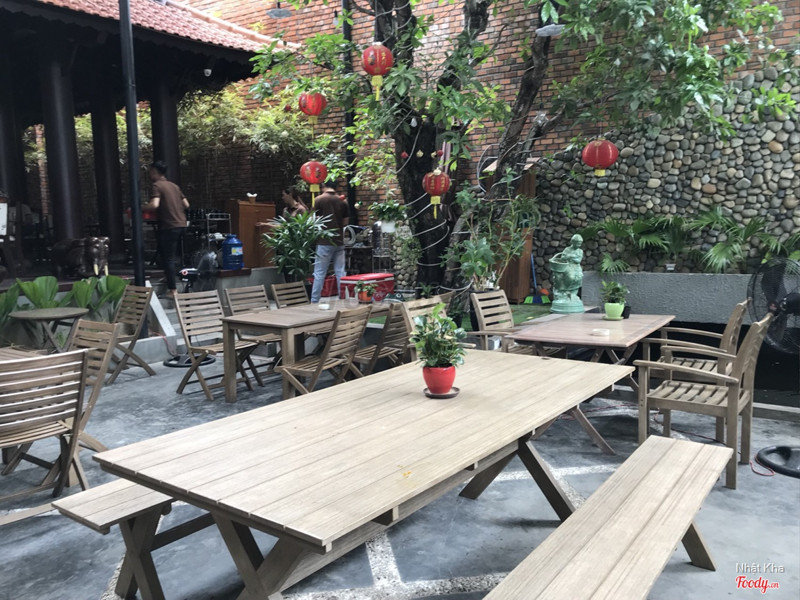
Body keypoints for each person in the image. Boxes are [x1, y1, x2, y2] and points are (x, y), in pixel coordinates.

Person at [142, 160, 189, 299]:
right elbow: (186, 204)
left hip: (169, 225)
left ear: (154, 171)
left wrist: (139, 207)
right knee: (166, 254)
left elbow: (154, 205)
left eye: (150, 172)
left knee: (168, 258)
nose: (150, 174)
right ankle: (169, 277)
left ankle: (173, 290)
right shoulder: (174, 186)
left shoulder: (157, 185)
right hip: (181, 224)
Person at [310, 185, 348, 303]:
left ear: (324, 186)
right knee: (340, 271)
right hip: (339, 241)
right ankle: (343, 298)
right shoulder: (342, 201)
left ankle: (314, 300)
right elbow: (345, 222)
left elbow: (312, 219)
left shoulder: (319, 199)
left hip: (324, 241)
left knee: (319, 272)